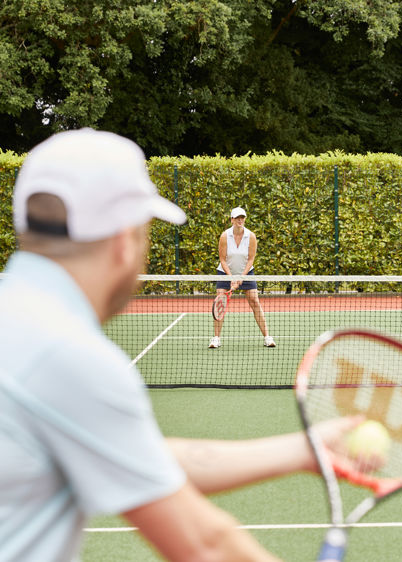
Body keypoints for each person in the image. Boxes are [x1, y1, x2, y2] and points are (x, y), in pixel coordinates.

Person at [0, 129, 361, 561]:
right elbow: (207, 544)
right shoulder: (69, 358)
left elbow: (138, 454)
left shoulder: (23, 324)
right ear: (124, 241)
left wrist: (302, 450)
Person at [209, 207, 276, 349]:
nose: (240, 220)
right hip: (225, 273)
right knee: (221, 303)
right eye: (237, 218)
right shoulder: (224, 236)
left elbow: (251, 259)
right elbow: (222, 259)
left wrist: (241, 277)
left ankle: (267, 337)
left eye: (242, 217)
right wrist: (231, 278)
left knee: (255, 302)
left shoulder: (251, 236)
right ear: (232, 220)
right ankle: (216, 338)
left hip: (246, 272)